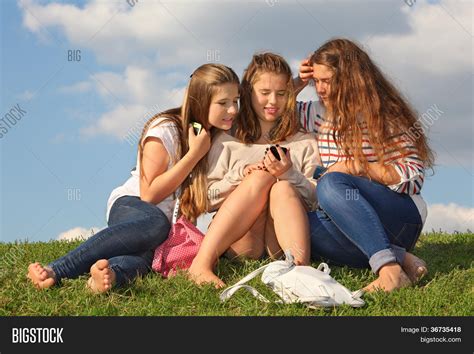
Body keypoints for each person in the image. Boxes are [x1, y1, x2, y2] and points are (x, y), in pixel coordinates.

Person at [27, 63, 240, 293]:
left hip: (163, 229)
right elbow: (149, 194)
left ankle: (106, 276)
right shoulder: (166, 128)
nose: (233, 110)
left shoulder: (216, 140)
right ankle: (55, 270)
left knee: (145, 259)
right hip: (133, 205)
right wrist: (194, 155)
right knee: (155, 223)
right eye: (223, 103)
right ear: (200, 100)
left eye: (235, 101)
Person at [295, 38, 434, 292]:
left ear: (350, 79)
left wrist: (357, 167)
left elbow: (414, 177)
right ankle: (399, 258)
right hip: (346, 217)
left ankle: (389, 271)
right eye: (317, 82)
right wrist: (298, 83)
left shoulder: (384, 114)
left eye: (328, 81)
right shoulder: (317, 112)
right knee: (300, 227)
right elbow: (269, 113)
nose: (321, 89)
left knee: (330, 183)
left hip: (401, 217)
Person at [188, 53, 320, 288]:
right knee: (260, 178)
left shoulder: (305, 141)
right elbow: (204, 200)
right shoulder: (226, 141)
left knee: (283, 187)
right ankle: (202, 263)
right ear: (248, 93)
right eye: (265, 93)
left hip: (282, 242)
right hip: (242, 242)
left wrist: (289, 175)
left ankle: (301, 271)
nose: (273, 102)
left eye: (281, 94)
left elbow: (318, 198)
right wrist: (239, 176)